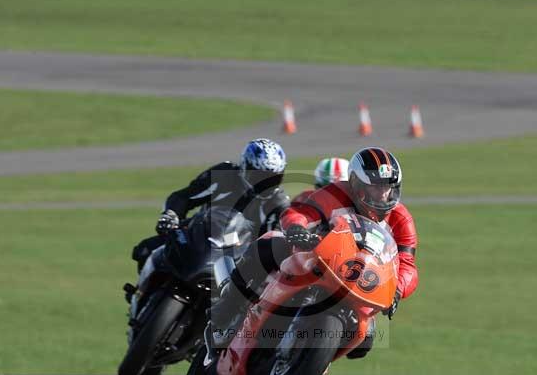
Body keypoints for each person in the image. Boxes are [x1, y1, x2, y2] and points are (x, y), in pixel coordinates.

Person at [206, 147, 418, 359]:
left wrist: (397, 289)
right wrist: (296, 228)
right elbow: (300, 212)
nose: (383, 194)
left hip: (359, 281)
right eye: (376, 187)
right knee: (268, 245)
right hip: (315, 258)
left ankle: (315, 361)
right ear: (356, 183)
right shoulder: (335, 193)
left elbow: (407, 263)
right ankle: (223, 317)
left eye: (388, 187)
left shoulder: (401, 219)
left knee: (366, 341)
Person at [125, 138, 291, 302]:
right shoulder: (225, 174)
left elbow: (273, 240)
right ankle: (140, 296)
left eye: (272, 178)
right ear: (244, 167)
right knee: (145, 250)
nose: (264, 183)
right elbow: (184, 197)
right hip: (198, 234)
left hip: (236, 257)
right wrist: (171, 215)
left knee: (254, 295)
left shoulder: (279, 203)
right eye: (259, 176)